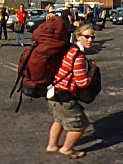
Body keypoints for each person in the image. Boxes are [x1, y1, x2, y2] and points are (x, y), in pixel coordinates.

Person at [45, 24, 96, 160]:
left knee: (59, 120)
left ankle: (52, 145)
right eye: (87, 37)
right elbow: (82, 82)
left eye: (92, 37)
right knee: (80, 126)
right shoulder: (78, 57)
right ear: (78, 37)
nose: (90, 40)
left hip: (53, 93)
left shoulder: (69, 50)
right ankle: (67, 149)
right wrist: (91, 70)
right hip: (64, 97)